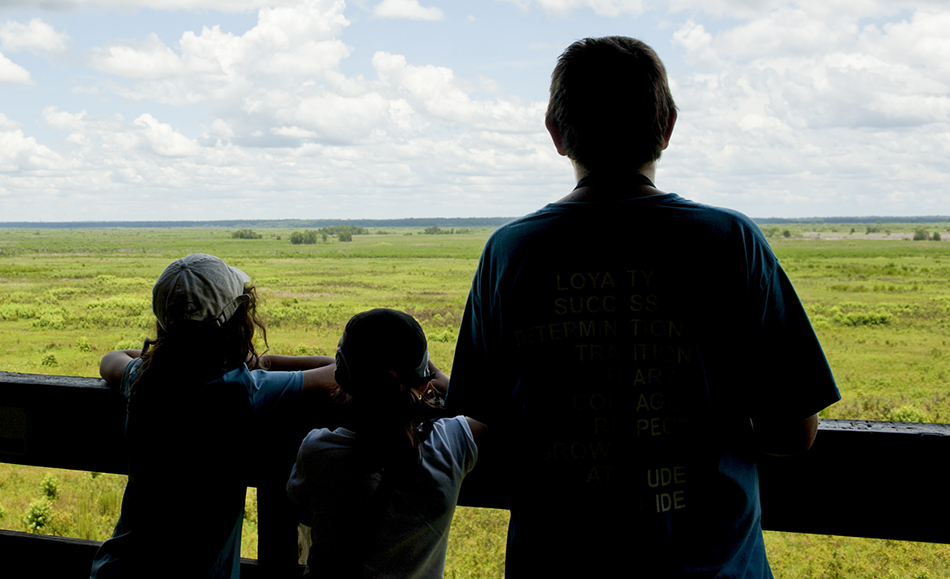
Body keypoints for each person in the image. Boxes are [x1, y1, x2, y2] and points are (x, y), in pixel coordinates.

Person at [445, 37, 841, 577]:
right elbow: (794, 434)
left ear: (556, 133)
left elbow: (485, 424)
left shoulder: (510, 251)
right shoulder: (730, 240)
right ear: (668, 126)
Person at [90, 253, 336, 579]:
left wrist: (160, 357)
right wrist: (268, 363)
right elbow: (339, 372)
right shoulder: (241, 389)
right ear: (236, 320)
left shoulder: (144, 379)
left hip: (121, 566)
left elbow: (111, 360)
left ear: (163, 324)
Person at [287, 308, 485, 578]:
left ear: (341, 377)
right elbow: (500, 417)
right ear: (425, 383)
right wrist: (448, 387)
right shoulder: (450, 443)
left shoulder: (318, 451)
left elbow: (302, 510)